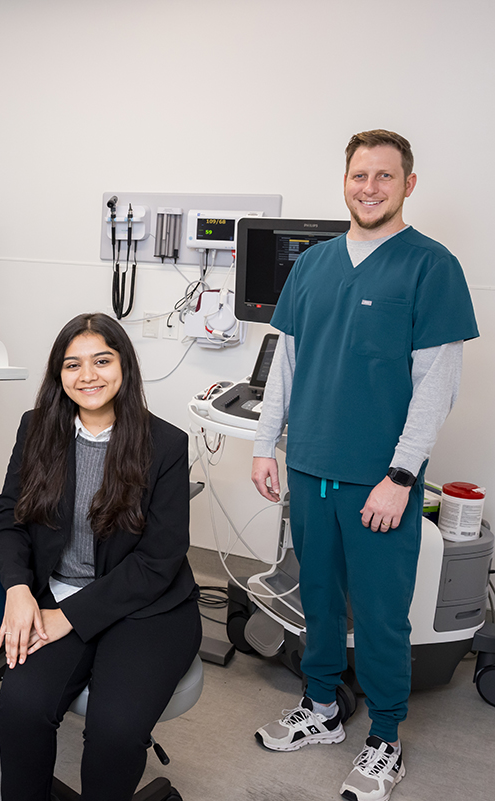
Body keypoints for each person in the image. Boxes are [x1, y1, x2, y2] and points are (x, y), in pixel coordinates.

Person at [251, 130, 479, 801]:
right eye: (359, 175)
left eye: (384, 176)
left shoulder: (430, 266)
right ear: (344, 181)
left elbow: (437, 384)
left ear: (408, 184)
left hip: (379, 481)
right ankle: (321, 707)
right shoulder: (315, 264)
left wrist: (402, 476)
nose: (369, 187)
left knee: (379, 614)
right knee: (317, 599)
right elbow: (286, 362)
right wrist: (267, 444)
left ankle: (385, 736)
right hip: (310, 465)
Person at [0, 313, 201, 801]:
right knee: (21, 707)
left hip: (148, 608)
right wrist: (19, 589)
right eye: (72, 365)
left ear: (124, 365)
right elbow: (8, 519)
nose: (88, 376)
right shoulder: (37, 429)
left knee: (116, 729)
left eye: (102, 361)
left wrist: (70, 617)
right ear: (58, 375)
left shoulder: (164, 444)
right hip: (55, 592)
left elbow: (159, 561)